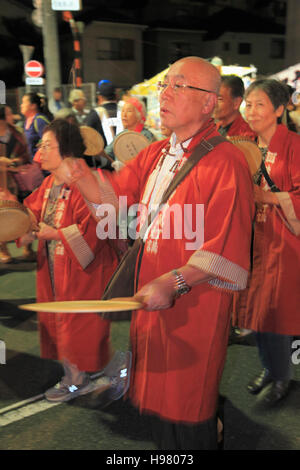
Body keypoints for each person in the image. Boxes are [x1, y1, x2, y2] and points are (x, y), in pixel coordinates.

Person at [57, 56, 255, 450]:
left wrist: (176, 280)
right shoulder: (156, 152)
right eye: (166, 83)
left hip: (193, 307)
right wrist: (80, 177)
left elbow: (225, 245)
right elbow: (114, 199)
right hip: (153, 299)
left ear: (208, 103)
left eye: (179, 86)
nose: (164, 93)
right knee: (160, 407)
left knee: (189, 405)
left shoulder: (226, 160)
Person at [1, 119, 119, 401]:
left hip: (81, 271)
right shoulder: (50, 183)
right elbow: (31, 211)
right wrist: (19, 219)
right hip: (55, 266)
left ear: (65, 150)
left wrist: (53, 233)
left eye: (47, 145)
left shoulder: (86, 180)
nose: (41, 149)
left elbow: (94, 232)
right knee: (61, 323)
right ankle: (83, 374)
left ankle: (77, 379)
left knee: (76, 326)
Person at [232, 78, 300, 406]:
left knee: (275, 313)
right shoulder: (245, 144)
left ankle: (282, 376)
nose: (251, 110)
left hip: (284, 244)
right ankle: (269, 368)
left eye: (260, 104)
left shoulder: (294, 146)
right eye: (248, 103)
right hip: (253, 241)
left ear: (278, 109)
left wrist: (267, 197)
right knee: (255, 312)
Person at [0, 105, 31, 263]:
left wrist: (16, 161)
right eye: (9, 113)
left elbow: (26, 154)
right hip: (1, 182)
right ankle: (3, 249)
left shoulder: (16, 133)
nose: (12, 115)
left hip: (17, 181)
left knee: (25, 213)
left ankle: (27, 248)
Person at [103, 97, 155, 169]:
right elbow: (107, 153)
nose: (124, 115)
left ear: (139, 115)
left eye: (129, 111)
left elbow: (146, 163)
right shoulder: (121, 135)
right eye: (123, 111)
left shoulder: (146, 136)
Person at [213, 74, 256, 139]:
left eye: (219, 99)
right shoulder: (213, 129)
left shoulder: (247, 136)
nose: (214, 103)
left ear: (237, 103)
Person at [85, 80, 123, 148]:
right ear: (116, 95)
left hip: (102, 156)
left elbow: (87, 136)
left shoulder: (95, 113)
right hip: (126, 156)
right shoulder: (125, 111)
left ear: (100, 97)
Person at [20, 92, 51, 160]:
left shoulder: (39, 121)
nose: (21, 105)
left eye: (24, 102)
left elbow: (48, 142)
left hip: (42, 165)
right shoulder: (26, 122)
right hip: (33, 166)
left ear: (33, 106)